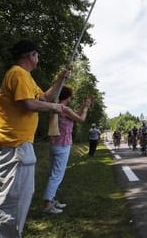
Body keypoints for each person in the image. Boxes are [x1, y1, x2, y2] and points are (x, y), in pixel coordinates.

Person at [0, 39, 68, 238]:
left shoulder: (25, 77)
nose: (38, 59)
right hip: (15, 148)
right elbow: (28, 104)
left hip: (7, 146)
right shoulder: (18, 74)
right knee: (14, 202)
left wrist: (60, 79)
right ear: (31, 55)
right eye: (37, 55)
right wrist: (55, 108)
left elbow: (45, 98)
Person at [42, 86, 92, 214]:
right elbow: (81, 119)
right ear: (68, 97)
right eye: (71, 96)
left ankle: (51, 200)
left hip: (54, 144)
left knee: (53, 174)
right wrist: (86, 107)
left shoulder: (56, 107)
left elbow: (73, 115)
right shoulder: (65, 109)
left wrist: (82, 108)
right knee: (57, 175)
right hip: (63, 145)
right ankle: (48, 204)